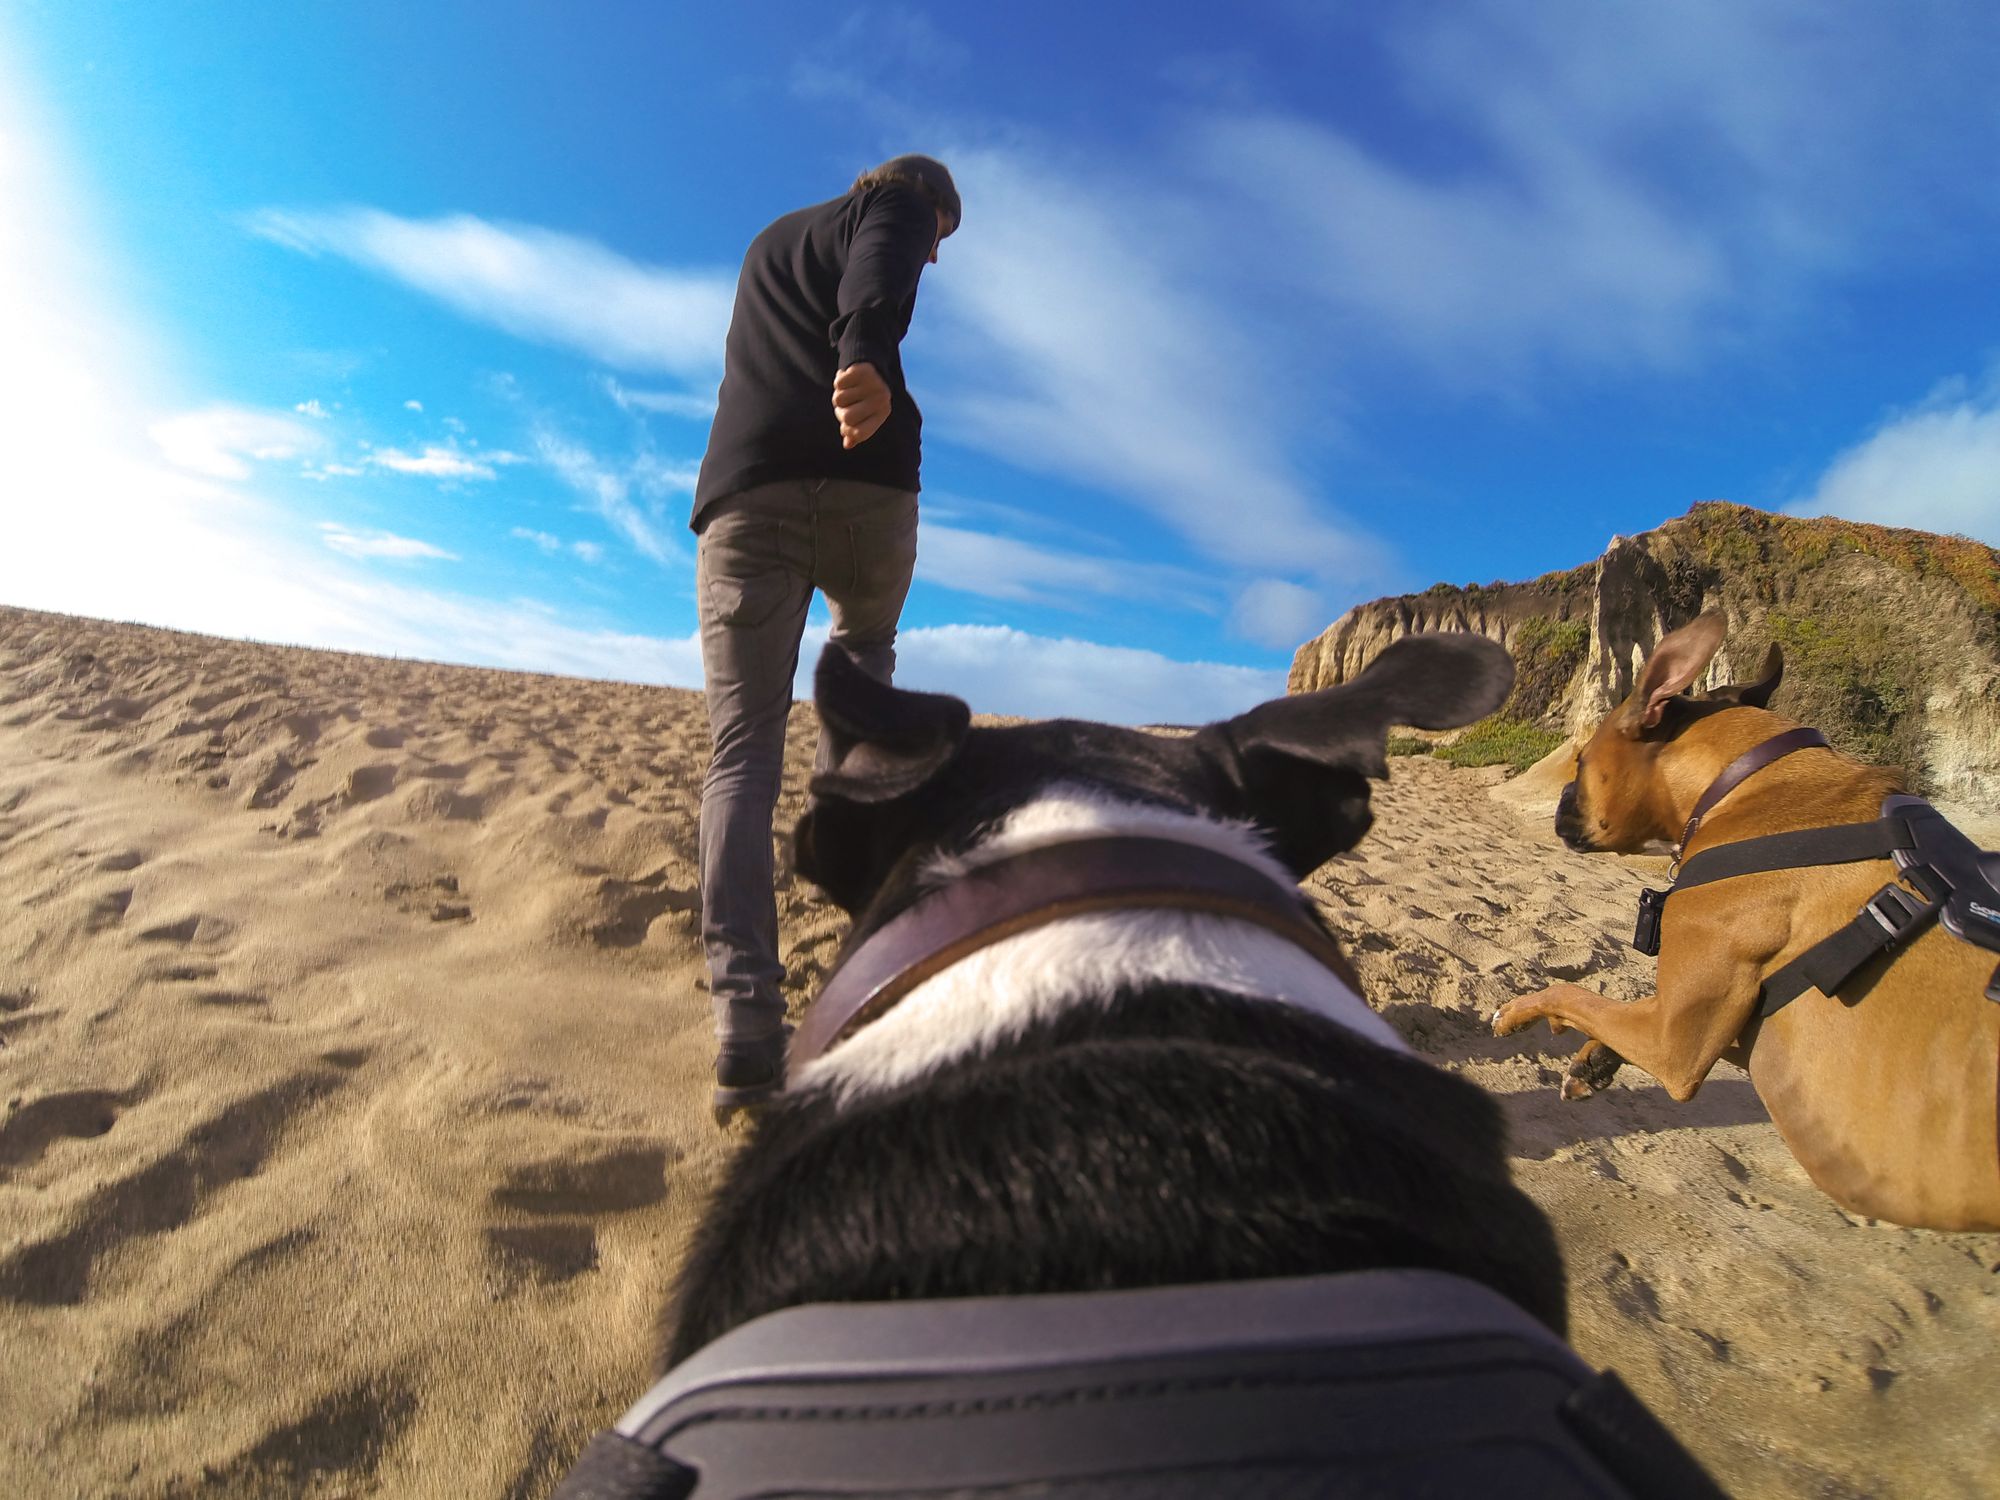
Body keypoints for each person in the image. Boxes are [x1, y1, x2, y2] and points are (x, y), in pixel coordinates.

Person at [690, 154, 960, 1113]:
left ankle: (745, 1027)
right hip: (865, 490)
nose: (934, 256)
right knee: (863, 703)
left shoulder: (768, 243)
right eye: (942, 238)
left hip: (748, 495)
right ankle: (867, 986)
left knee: (741, 755)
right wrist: (863, 356)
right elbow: (882, 258)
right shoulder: (893, 205)